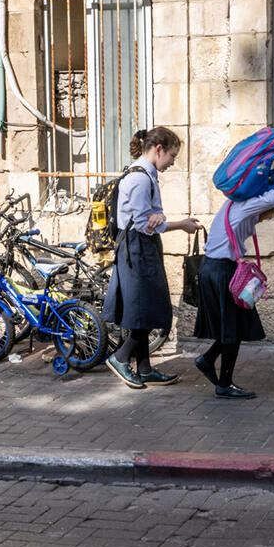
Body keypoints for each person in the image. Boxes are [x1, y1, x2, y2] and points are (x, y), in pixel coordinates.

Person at [191, 170, 274, 399]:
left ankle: (207, 360)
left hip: (214, 268)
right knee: (233, 328)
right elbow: (272, 197)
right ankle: (224, 384)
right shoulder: (246, 205)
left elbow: (270, 186)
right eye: (269, 215)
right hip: (222, 270)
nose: (267, 216)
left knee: (233, 325)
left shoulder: (234, 204)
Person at [103, 127, 201, 389]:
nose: (172, 162)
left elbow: (146, 221)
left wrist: (170, 223)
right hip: (137, 249)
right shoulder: (140, 179)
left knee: (144, 309)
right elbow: (143, 223)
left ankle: (145, 369)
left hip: (141, 247)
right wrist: (174, 224)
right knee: (146, 310)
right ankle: (120, 358)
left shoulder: (145, 174)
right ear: (158, 149)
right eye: (172, 155)